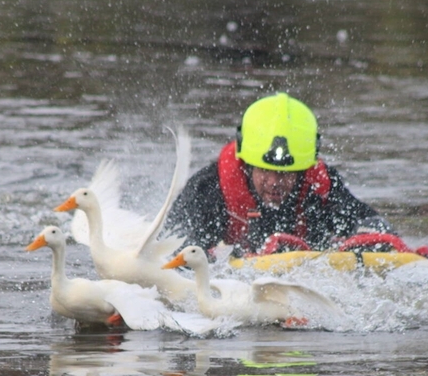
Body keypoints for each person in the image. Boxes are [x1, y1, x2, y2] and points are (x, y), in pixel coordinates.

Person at [165, 92, 402, 258]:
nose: (275, 183)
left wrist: (374, 234)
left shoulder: (319, 185)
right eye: (265, 171)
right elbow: (174, 253)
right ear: (247, 165)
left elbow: (366, 221)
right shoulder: (208, 190)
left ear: (302, 170)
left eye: (286, 174)